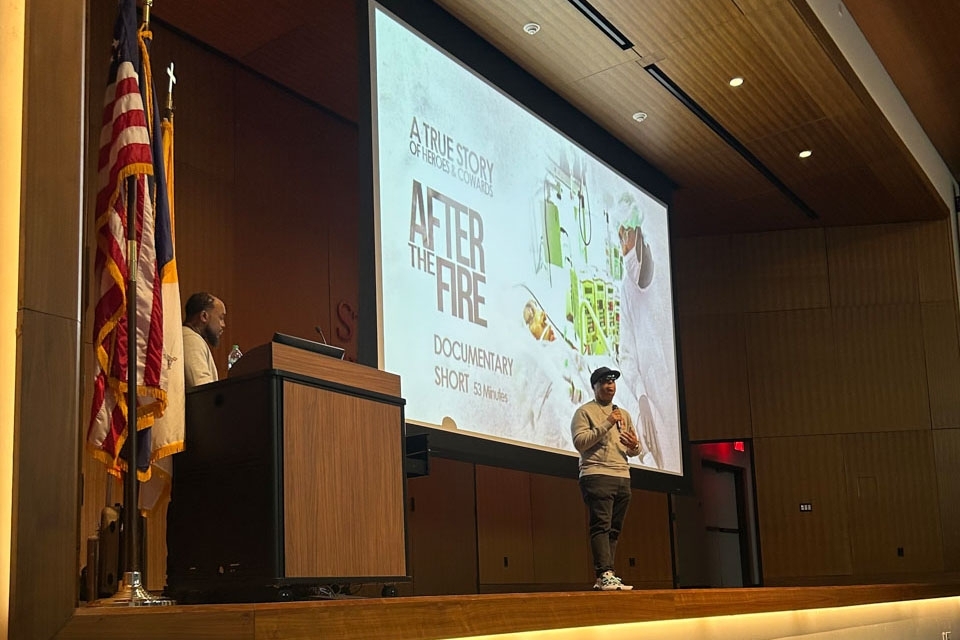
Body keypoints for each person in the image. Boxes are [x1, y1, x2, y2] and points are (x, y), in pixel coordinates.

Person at [571, 366, 641, 591]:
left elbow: (633, 450)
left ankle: (606, 574)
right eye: (604, 382)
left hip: (622, 475)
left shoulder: (624, 414)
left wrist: (634, 446)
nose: (610, 385)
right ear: (594, 387)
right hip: (597, 474)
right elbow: (581, 443)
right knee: (601, 525)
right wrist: (608, 422)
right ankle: (604, 572)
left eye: (612, 381)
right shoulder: (584, 412)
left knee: (614, 528)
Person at [181, 292, 226, 388]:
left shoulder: (190, 337)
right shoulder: (191, 340)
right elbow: (203, 389)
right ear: (204, 316)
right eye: (221, 318)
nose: (223, 325)